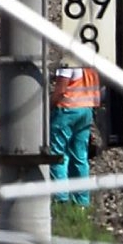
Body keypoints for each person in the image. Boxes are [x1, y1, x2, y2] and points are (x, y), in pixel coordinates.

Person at [51, 63, 101, 204]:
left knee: (58, 155)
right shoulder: (90, 61)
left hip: (67, 111)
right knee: (80, 156)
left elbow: (60, 90)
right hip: (86, 110)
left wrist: (48, 106)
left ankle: (61, 199)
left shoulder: (68, 61)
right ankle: (82, 201)